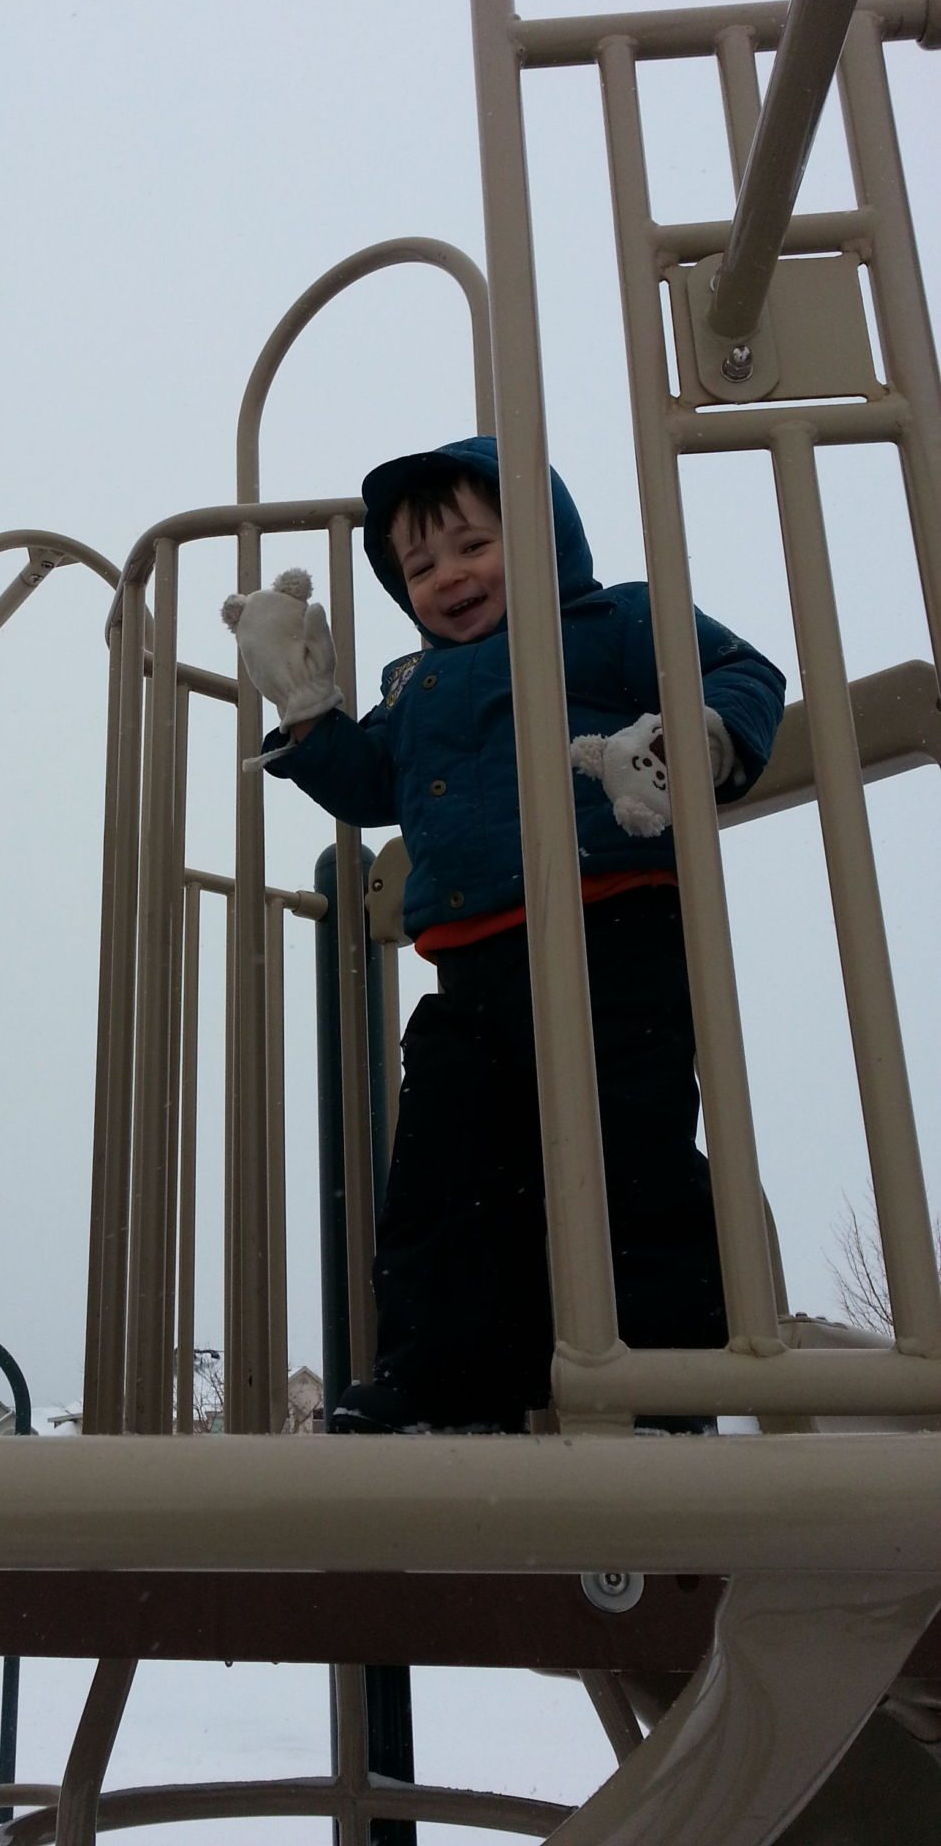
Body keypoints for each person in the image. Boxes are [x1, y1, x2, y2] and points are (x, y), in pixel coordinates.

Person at [222, 435, 786, 1434]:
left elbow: (743, 669)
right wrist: (309, 714)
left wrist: (703, 734)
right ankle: (443, 1381)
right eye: (420, 565)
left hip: (615, 931)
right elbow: (372, 785)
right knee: (447, 1169)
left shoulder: (611, 620)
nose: (448, 576)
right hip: (475, 964)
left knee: (633, 1152)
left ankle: (665, 1383)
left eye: (473, 546)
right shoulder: (414, 684)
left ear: (541, 537)